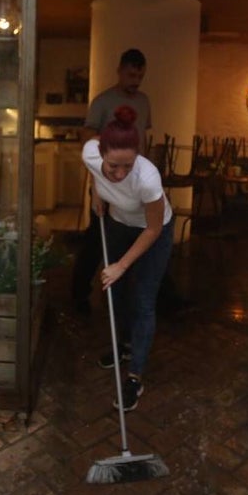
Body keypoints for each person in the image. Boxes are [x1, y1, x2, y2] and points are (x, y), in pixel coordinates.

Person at [83, 105, 173, 412]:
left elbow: (154, 227)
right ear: (101, 154)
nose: (119, 174)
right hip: (119, 223)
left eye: (127, 166)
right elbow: (95, 172)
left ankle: (135, 376)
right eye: (113, 167)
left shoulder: (148, 179)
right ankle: (122, 346)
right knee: (114, 291)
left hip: (152, 231)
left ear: (138, 157)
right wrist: (97, 193)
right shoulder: (90, 154)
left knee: (143, 300)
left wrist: (123, 265)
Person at [70, 48, 151, 313]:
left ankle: (127, 297)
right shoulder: (103, 101)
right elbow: (88, 142)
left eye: (139, 75)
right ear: (119, 70)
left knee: (135, 235)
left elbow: (144, 140)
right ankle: (79, 295)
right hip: (104, 181)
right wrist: (95, 187)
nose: (135, 80)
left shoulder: (144, 101)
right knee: (96, 239)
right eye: (130, 74)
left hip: (132, 182)